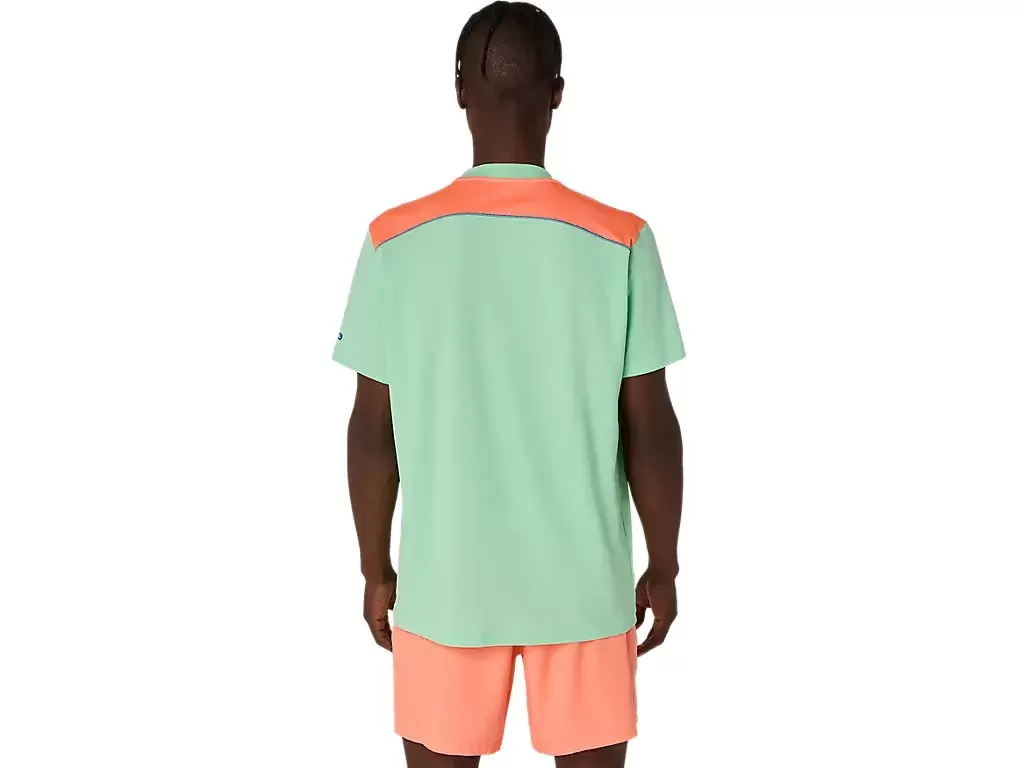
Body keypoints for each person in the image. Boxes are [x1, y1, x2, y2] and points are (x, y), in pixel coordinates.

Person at [332, 3, 685, 766]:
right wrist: (664, 564)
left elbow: (372, 429)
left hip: (445, 587)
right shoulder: (621, 239)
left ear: (459, 90)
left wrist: (374, 566)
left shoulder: (395, 241)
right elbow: (650, 426)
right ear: (558, 93)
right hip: (584, 587)